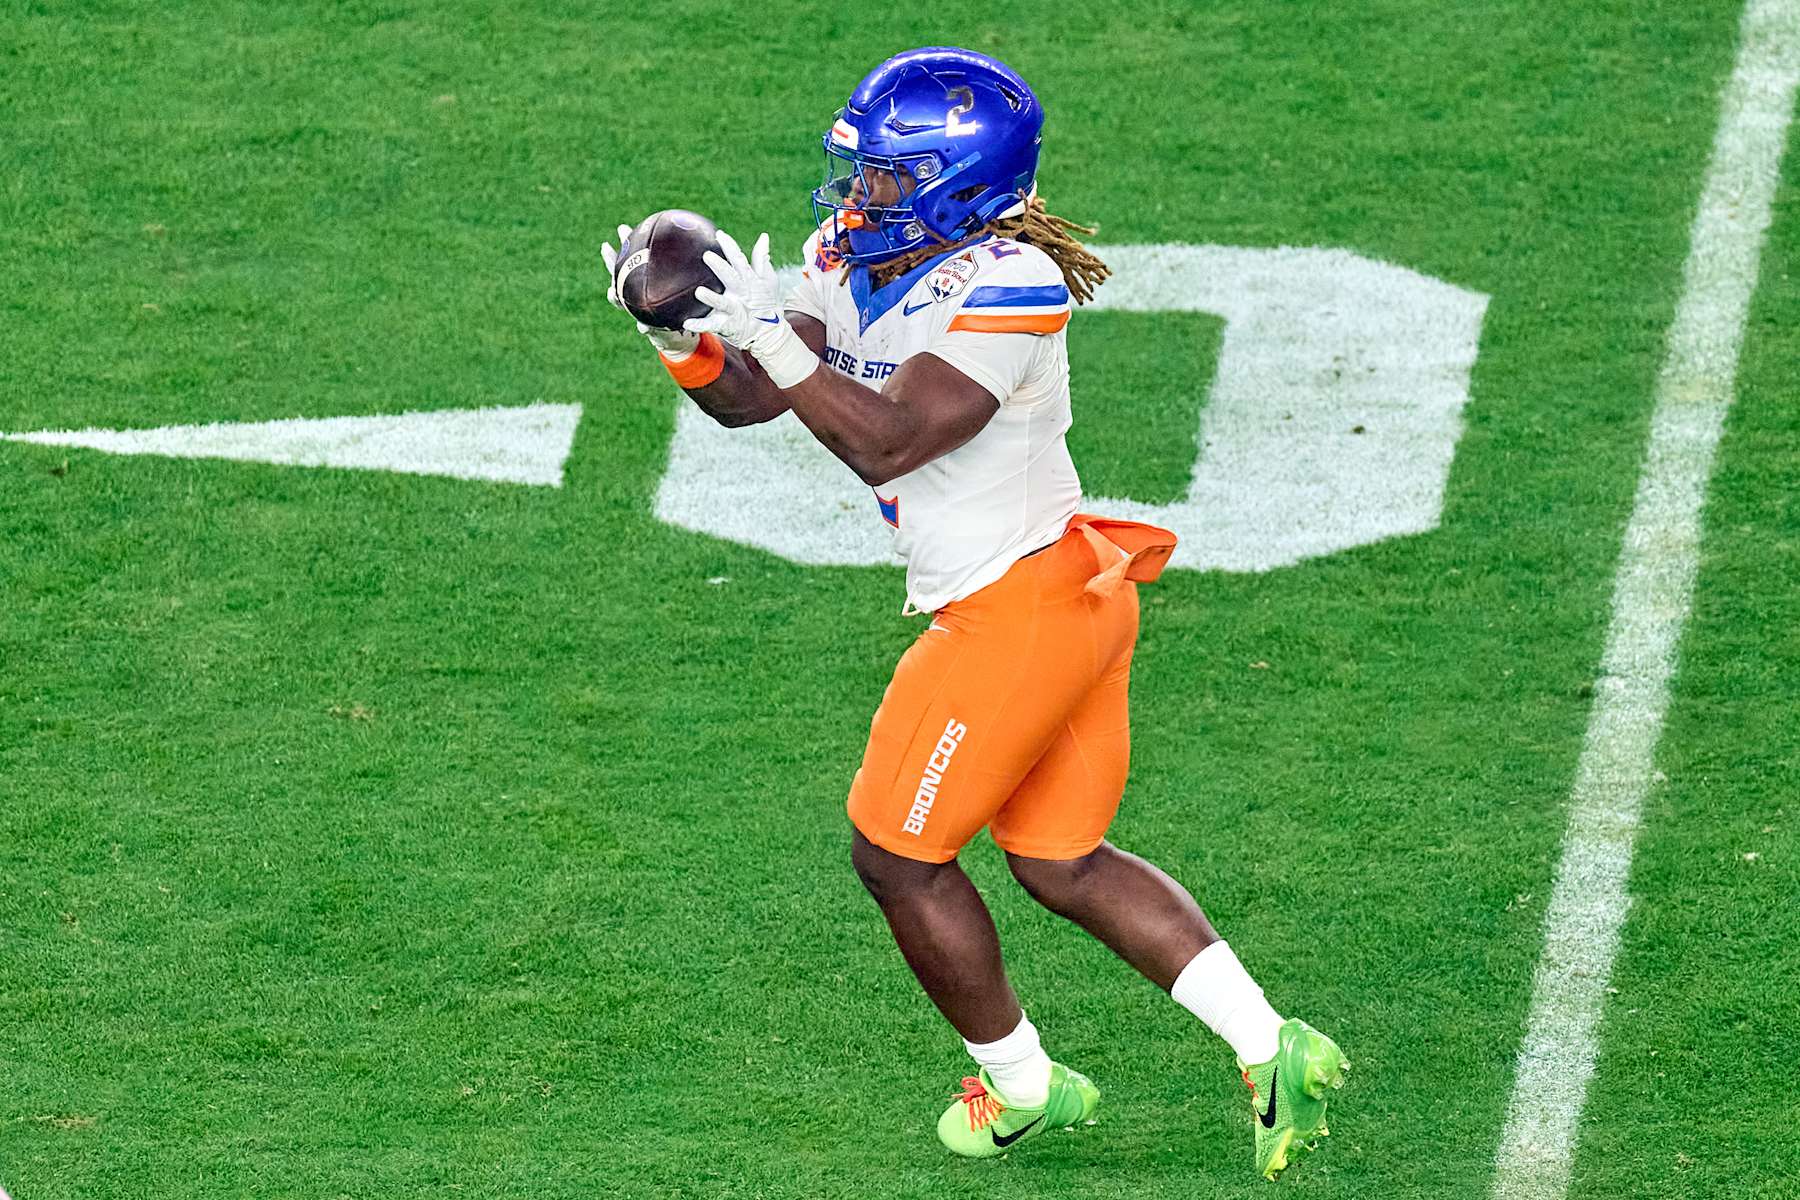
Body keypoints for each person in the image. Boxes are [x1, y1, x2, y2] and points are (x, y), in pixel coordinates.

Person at [601, 46, 1346, 1181]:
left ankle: (1024, 1084)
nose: (859, 195)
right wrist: (683, 336)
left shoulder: (1010, 285)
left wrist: (761, 336)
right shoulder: (849, 252)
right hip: (1058, 598)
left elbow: (892, 437)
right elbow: (764, 404)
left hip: (1017, 614)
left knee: (897, 857)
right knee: (1060, 859)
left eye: (888, 176)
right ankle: (1270, 1045)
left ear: (955, 181)